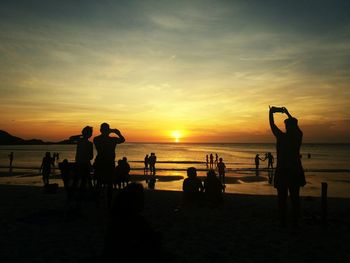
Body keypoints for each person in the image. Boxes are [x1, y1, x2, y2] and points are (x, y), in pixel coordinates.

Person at [102, 183, 163, 262]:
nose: (143, 201)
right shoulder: (136, 222)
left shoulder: (116, 220)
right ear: (134, 201)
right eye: (141, 198)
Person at [269, 106, 306, 227]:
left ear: (287, 126)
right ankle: (294, 221)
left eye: (286, 125)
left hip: (284, 172)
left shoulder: (282, 137)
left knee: (282, 199)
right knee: (294, 198)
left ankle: (284, 221)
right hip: (294, 171)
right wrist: (287, 113)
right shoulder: (298, 137)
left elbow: (272, 125)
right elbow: (295, 125)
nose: (285, 127)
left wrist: (271, 112)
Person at [93, 123, 125, 208]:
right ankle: (108, 203)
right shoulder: (112, 140)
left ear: (100, 130)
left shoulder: (96, 139)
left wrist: (111, 131)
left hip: (100, 162)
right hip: (108, 163)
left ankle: (98, 202)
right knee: (109, 184)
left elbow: (122, 140)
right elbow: (122, 139)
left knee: (99, 183)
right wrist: (116, 132)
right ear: (108, 130)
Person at [70, 126, 94, 202]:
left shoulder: (83, 142)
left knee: (79, 181)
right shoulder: (83, 142)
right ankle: (79, 196)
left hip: (82, 164)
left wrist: (81, 135)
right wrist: (81, 135)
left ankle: (76, 196)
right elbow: (91, 157)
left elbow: (91, 156)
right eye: (90, 133)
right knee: (81, 181)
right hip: (82, 164)